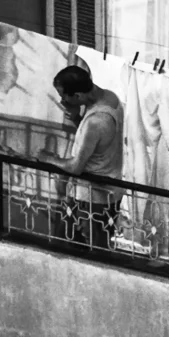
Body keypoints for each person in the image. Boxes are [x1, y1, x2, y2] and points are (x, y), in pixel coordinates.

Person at [40, 65, 124, 250]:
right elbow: (99, 142)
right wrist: (78, 119)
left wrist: (49, 159)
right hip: (104, 193)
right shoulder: (111, 98)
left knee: (90, 251)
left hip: (92, 198)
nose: (62, 100)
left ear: (78, 96)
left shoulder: (96, 120)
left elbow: (76, 167)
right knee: (77, 244)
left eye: (64, 96)